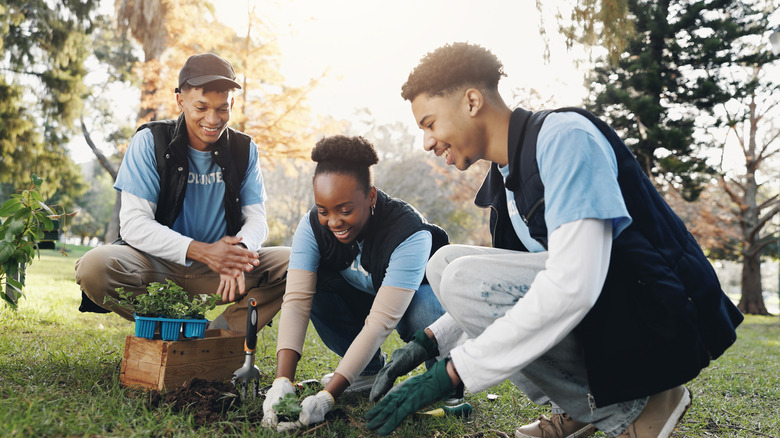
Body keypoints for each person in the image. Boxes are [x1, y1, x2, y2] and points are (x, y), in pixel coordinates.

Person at [366, 42, 744, 438]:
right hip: (611, 318)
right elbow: (498, 294)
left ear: (472, 102)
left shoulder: (564, 138)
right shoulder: (505, 182)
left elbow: (574, 282)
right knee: (445, 265)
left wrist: (454, 372)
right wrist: (430, 342)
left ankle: (635, 407)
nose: (427, 142)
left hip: (660, 321)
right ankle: (582, 406)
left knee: (460, 275)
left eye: (429, 124)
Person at [75, 53, 289, 333]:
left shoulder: (244, 149)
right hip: (157, 266)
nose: (213, 119)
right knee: (93, 267)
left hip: (219, 273)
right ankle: (169, 324)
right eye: (201, 107)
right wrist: (204, 252)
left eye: (222, 109)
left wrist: (238, 253)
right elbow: (134, 224)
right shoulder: (150, 141)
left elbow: (257, 219)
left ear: (232, 105)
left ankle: (218, 335)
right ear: (180, 101)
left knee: (296, 263)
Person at [260, 135, 449, 431]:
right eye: (324, 210)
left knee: (425, 312)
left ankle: (443, 377)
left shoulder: (410, 233)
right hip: (363, 296)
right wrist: (282, 382)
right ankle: (368, 371)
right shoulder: (311, 226)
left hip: (412, 300)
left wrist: (327, 397)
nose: (333, 222)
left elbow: (380, 323)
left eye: (345, 210)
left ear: (371, 196)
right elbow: (296, 300)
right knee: (314, 285)